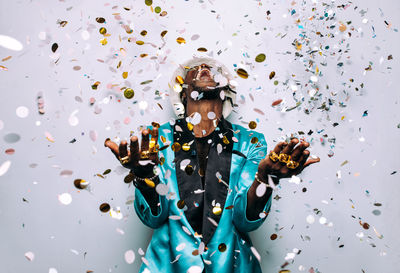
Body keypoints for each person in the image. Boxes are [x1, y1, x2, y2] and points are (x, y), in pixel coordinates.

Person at [105, 57, 320, 273]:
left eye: (211, 68)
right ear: (182, 92)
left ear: (225, 91)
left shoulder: (250, 141)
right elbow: (155, 218)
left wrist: (266, 179)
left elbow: (245, 221)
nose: (205, 68)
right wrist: (144, 176)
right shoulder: (155, 140)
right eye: (194, 69)